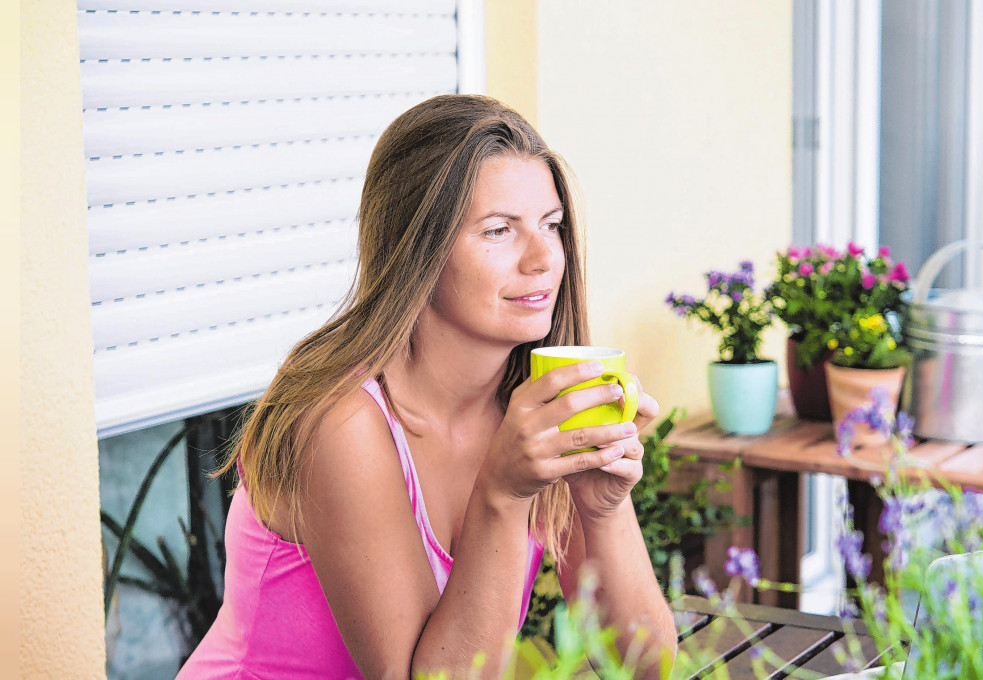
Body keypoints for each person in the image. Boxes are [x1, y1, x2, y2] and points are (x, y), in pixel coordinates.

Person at [177, 94, 677, 679]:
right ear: (419, 250)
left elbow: (643, 668)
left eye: (552, 225)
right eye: (498, 231)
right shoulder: (341, 424)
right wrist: (502, 494)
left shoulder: (530, 410)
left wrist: (604, 510)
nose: (544, 258)